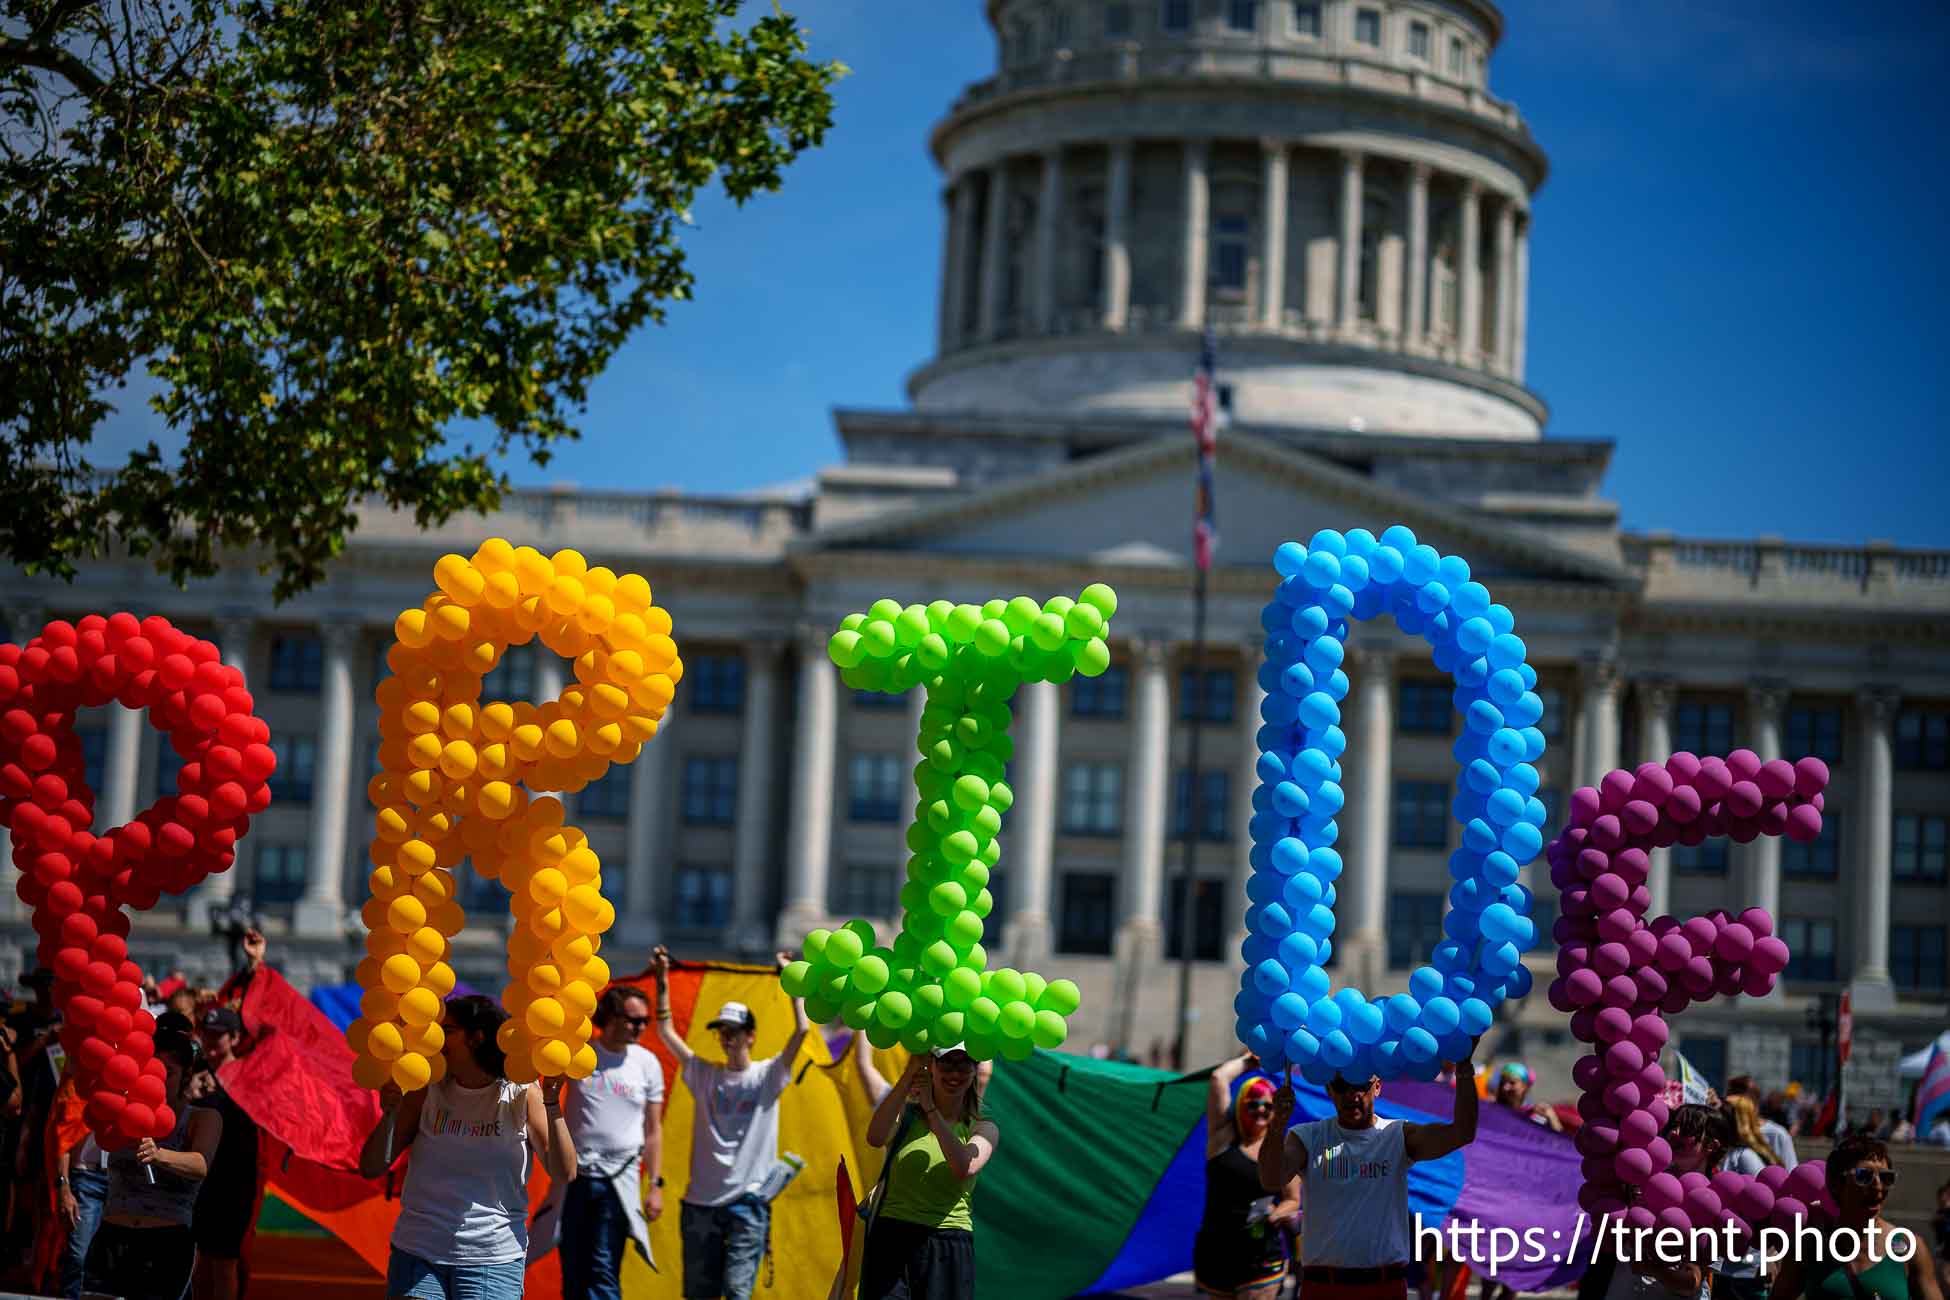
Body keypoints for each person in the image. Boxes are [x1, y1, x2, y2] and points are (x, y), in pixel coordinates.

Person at [358, 994, 577, 1300]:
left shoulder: (521, 1091)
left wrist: (553, 1104)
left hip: (492, 1260)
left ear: (476, 1038)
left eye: (446, 1030)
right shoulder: (425, 1088)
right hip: (418, 1253)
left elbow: (565, 1171)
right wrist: (390, 1113)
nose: (434, 1038)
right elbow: (371, 1166)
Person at [1261, 1041, 1482, 1300]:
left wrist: (1464, 1068)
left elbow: (1462, 1132)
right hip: (1323, 1287)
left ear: (1377, 1087)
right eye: (1342, 1086)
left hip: (1383, 1287)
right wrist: (1276, 1125)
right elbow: (1271, 1179)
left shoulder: (1398, 1135)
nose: (1352, 1095)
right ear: (1329, 1090)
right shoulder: (1306, 1137)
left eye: (1361, 1085)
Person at [650, 946, 808, 1300]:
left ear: (750, 1035)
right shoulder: (704, 1073)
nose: (726, 1036)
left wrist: (791, 978)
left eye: (734, 1030)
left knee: (738, 1293)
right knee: (698, 1295)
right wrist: (662, 978)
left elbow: (802, 1030)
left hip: (747, 1203)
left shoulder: (768, 1075)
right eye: (721, 1030)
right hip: (700, 1204)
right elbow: (664, 1029)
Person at [83, 1029, 223, 1300]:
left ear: (185, 1073)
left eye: (167, 1072)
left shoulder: (203, 1117)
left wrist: (158, 1155)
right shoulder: (122, 1111)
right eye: (151, 1071)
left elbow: (200, 1164)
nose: (157, 1081)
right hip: (112, 1235)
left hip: (165, 1242)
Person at [859, 1043, 1000, 1300]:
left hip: (946, 1246)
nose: (954, 1073)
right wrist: (910, 1072)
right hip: (892, 1240)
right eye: (947, 1062)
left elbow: (964, 1166)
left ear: (974, 1071)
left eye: (963, 1064)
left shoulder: (983, 1127)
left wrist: (932, 1112)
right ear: (932, 1067)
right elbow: (875, 1136)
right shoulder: (907, 1114)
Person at [555, 984, 666, 1300]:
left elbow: (653, 1130)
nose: (640, 1027)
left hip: (619, 1179)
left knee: (603, 1265)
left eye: (645, 1021)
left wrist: (655, 1185)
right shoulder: (580, 1053)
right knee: (573, 1267)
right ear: (610, 1017)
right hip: (574, 1177)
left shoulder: (647, 1063)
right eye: (633, 1020)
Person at [1775, 1134, 1945, 1300]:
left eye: (1886, 1178)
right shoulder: (1808, 1246)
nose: (1877, 1186)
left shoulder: (1911, 1248)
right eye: (1864, 1176)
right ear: (1835, 1184)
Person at [191, 925, 266, 1300]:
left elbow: (268, 1022)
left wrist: (254, 966)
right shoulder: (198, 1074)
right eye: (207, 1035)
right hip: (200, 1181)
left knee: (223, 1263)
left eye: (218, 1035)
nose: (210, 1041)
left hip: (234, 1184)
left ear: (235, 1038)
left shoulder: (250, 1072)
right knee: (201, 1261)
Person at [1195, 1053, 1300, 1300]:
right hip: (1217, 1252)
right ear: (1241, 1106)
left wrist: (1276, 1213)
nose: (1260, 1110)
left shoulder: (1282, 1150)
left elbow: (1293, 1199)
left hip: (1261, 1255)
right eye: (1253, 1104)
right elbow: (1218, 1078)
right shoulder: (1222, 1138)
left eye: (1268, 1105)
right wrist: (1248, 1061)